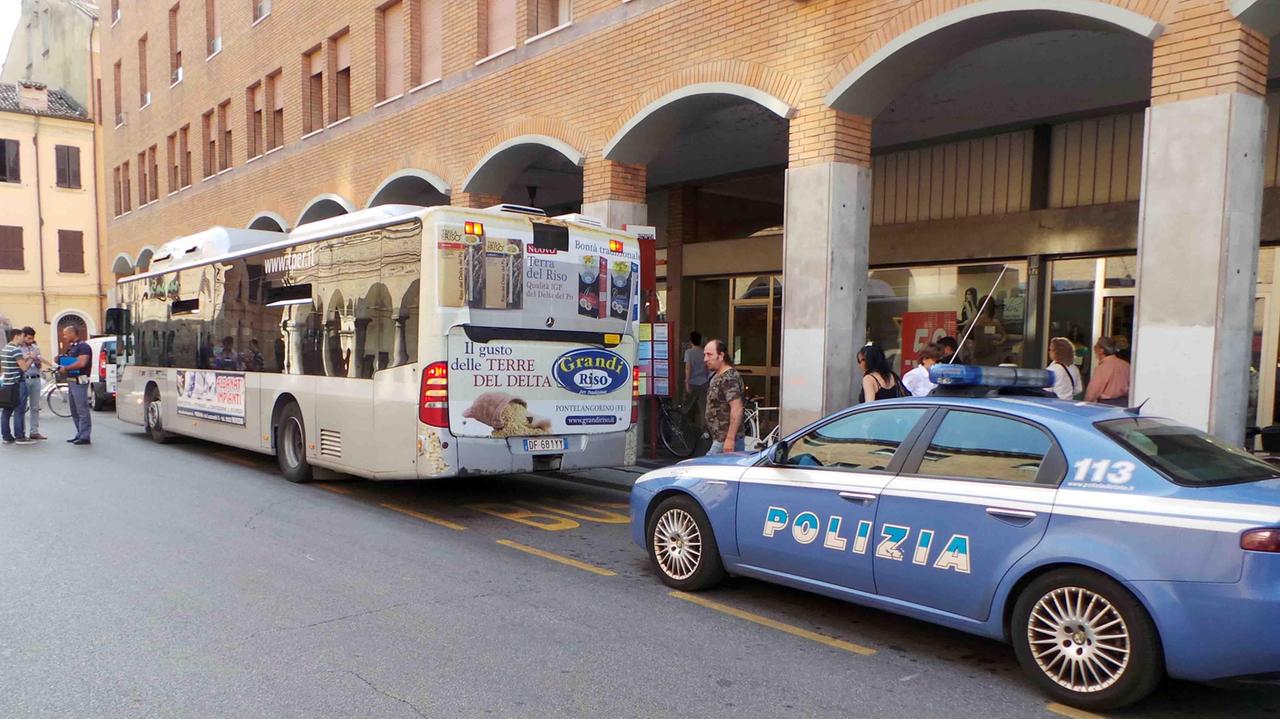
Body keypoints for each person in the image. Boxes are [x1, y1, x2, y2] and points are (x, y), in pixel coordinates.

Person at [703, 338, 745, 454]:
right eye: (705, 355)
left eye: (709, 355)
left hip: (725, 440)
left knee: (704, 469)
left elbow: (736, 407)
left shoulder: (729, 377)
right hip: (719, 438)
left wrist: (730, 438)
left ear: (721, 355)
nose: (705, 359)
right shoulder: (717, 375)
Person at [58, 325, 93, 445]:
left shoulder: (83, 347)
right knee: (74, 409)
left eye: (65, 334)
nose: (64, 336)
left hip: (79, 380)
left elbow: (82, 362)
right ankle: (79, 433)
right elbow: (70, 360)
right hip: (72, 379)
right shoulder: (73, 347)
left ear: (72, 333)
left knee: (82, 409)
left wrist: (66, 367)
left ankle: (85, 436)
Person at [1, 329, 34, 445]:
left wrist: (23, 359)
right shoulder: (16, 349)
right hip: (18, 383)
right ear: (16, 336)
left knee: (6, 410)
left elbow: (11, 363)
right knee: (19, 409)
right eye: (22, 336)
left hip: (7, 383)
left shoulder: (5, 349)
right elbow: (24, 368)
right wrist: (31, 358)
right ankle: (20, 436)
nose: (23, 339)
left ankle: (6, 436)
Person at [1085, 336, 1131, 407]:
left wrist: (1085, 403)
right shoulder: (1126, 365)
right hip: (1125, 404)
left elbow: (1093, 392)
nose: (1094, 350)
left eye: (1096, 347)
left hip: (1107, 406)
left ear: (1101, 350)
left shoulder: (1103, 367)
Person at [21, 327, 46, 440]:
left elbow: (39, 365)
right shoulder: (19, 348)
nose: (31, 341)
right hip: (24, 378)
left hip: (36, 377)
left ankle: (34, 431)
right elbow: (21, 363)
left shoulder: (35, 347)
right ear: (24, 336)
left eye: (32, 338)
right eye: (29, 338)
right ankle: (21, 432)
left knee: (35, 407)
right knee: (21, 406)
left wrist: (37, 361)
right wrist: (30, 357)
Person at [683, 331, 710, 429]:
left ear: (691, 341)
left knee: (687, 406)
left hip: (692, 383)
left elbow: (688, 368)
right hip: (703, 383)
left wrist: (687, 382)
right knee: (703, 408)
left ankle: (684, 428)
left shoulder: (689, 352)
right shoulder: (704, 353)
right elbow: (707, 368)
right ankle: (705, 429)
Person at [1046, 337, 1083, 401]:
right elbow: (1078, 389)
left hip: (1054, 404)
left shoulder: (1052, 370)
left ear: (1057, 352)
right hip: (1068, 403)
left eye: (1051, 349)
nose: (1049, 352)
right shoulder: (1074, 368)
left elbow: (1046, 390)